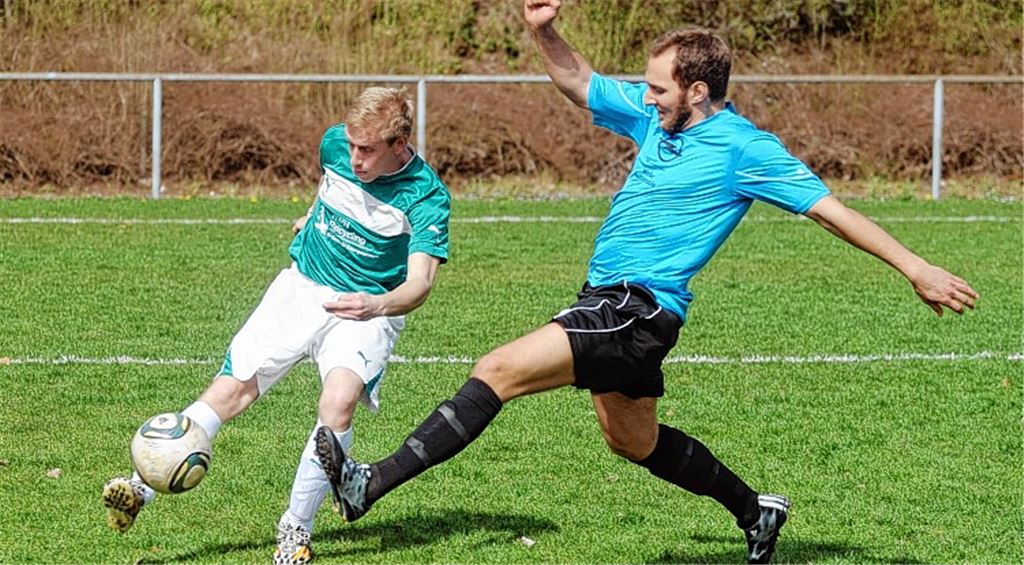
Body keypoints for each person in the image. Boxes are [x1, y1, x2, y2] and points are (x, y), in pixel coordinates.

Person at [312, 1, 980, 563]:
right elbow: (582, 84)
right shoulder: (654, 117)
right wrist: (544, 32)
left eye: (659, 87)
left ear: (697, 91)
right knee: (633, 440)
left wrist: (917, 267)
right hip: (610, 305)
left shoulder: (747, 149)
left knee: (498, 369)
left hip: (637, 308)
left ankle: (369, 484)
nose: (647, 96)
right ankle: (756, 510)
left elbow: (832, 214)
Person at [101, 86, 451, 565]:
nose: (354, 158)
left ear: (398, 143)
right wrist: (313, 215)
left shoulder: (427, 196)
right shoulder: (335, 146)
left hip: (366, 310)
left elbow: (420, 284)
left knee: (339, 403)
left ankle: (294, 529)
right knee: (232, 390)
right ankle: (144, 485)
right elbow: (331, 185)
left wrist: (376, 305)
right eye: (350, 145)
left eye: (366, 150)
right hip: (302, 288)